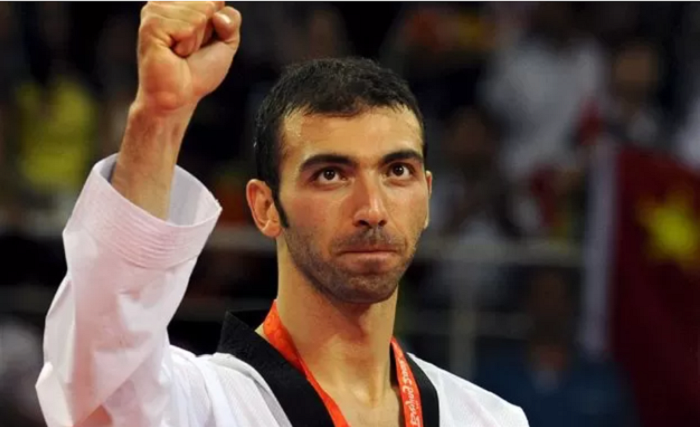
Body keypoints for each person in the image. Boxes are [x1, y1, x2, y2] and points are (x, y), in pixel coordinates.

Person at [35, 3, 529, 426]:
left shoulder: (490, 418)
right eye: (330, 175)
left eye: (397, 171)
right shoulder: (202, 405)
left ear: (427, 196)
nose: (372, 209)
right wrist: (159, 117)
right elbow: (97, 382)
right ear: (265, 207)